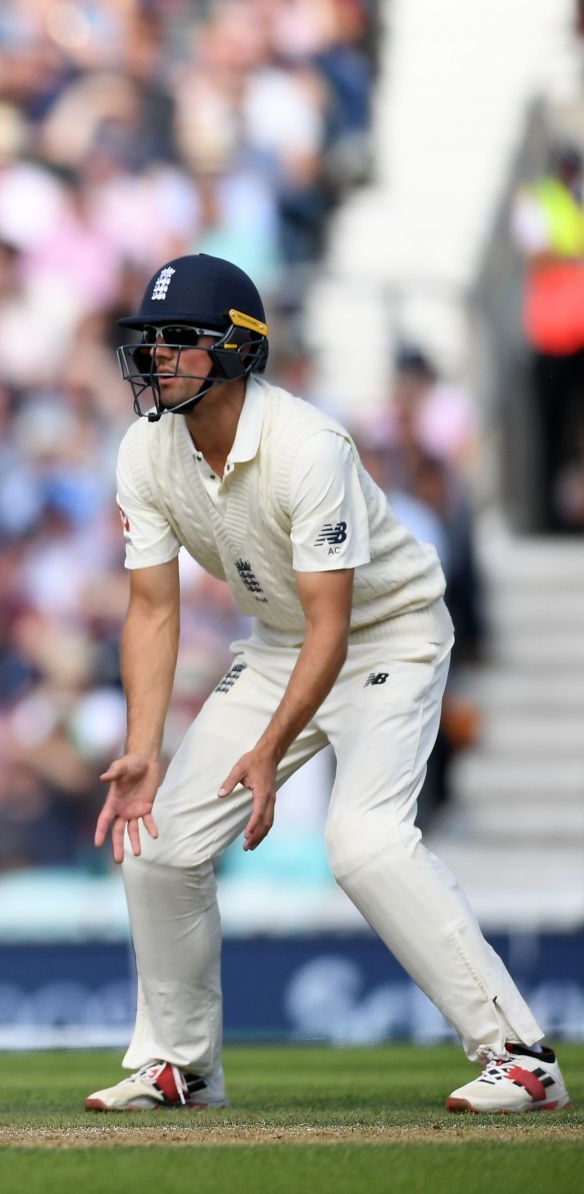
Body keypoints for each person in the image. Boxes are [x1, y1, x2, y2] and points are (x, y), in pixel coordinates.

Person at [90, 254, 567, 1114]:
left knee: (366, 842)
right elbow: (153, 613)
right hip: (281, 641)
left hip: (392, 634)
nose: (156, 356)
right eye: (149, 340)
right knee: (157, 846)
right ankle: (182, 1066)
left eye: (179, 341)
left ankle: (523, 1058)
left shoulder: (309, 447)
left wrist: (269, 750)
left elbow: (335, 627)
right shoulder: (145, 451)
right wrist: (140, 750)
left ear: (236, 351)